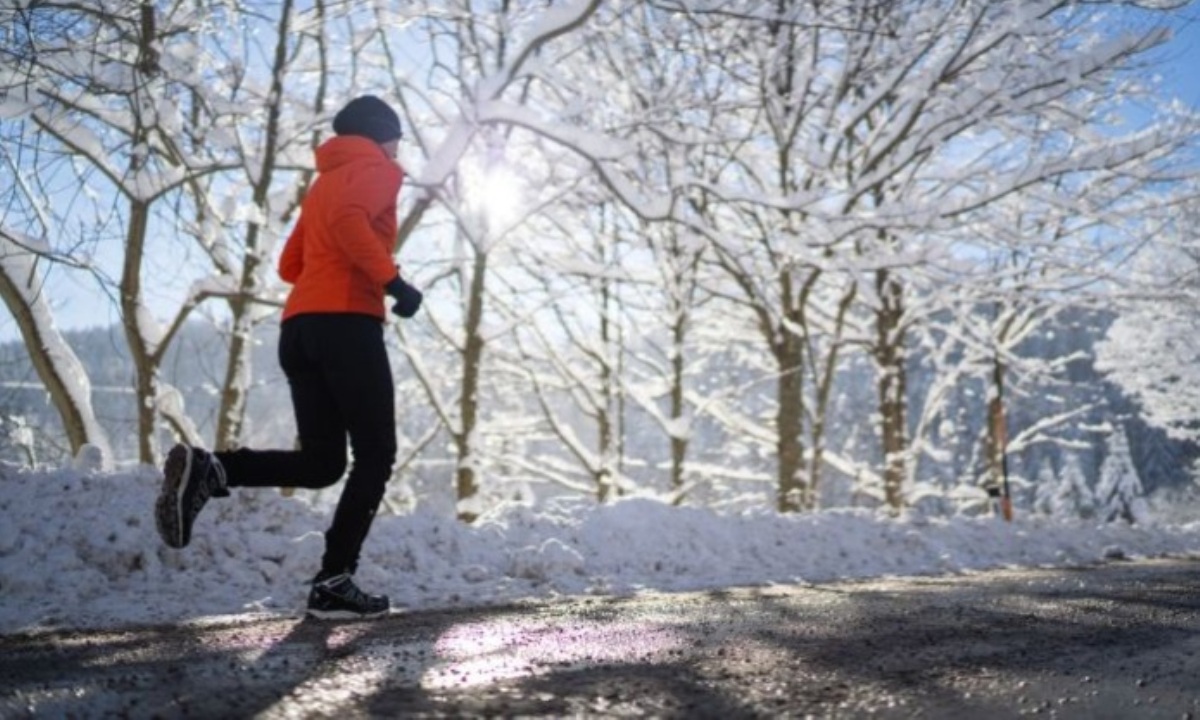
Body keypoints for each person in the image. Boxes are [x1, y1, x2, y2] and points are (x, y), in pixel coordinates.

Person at [154, 95, 423, 619]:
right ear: (379, 133)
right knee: (376, 453)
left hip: (300, 328)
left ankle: (214, 469)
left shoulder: (324, 182)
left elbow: (290, 263)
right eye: (396, 136)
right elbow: (348, 225)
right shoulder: (378, 170)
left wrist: (340, 276)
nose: (398, 147)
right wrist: (392, 281)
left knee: (323, 464)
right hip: (347, 325)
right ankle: (334, 580)